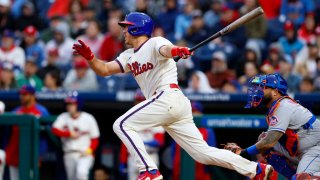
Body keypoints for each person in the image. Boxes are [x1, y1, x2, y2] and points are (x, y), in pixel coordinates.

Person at [73, 12, 273, 180]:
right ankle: (256, 169)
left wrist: (178, 50)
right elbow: (105, 69)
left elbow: (166, 50)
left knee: (122, 124)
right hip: (170, 104)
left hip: (167, 96)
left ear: (137, 28)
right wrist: (91, 58)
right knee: (202, 154)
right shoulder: (128, 55)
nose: (123, 30)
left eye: (127, 26)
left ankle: (149, 171)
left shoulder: (155, 42)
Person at [226, 74, 320, 179]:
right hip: (302, 149)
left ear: (275, 92)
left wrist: (243, 152)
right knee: (263, 139)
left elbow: (269, 142)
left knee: (301, 178)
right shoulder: (276, 107)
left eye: (264, 87)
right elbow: (267, 142)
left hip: (315, 148)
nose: (258, 90)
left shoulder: (283, 106)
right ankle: (293, 175)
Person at [52, 93, 100, 180]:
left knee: (81, 173)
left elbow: (95, 139)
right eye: (68, 104)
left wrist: (89, 150)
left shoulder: (88, 118)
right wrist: (68, 133)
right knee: (72, 178)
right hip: (69, 153)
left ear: (78, 105)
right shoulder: (63, 117)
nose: (69, 106)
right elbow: (54, 129)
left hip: (84, 154)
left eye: (72, 104)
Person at [5, 85, 50, 180]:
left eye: (25, 94)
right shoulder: (16, 111)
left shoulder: (41, 111)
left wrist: (39, 155)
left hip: (31, 155)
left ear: (33, 96)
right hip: (14, 154)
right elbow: (7, 134)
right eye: (21, 94)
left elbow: (46, 135)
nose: (22, 96)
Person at [119, 90, 165, 180]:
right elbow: (125, 143)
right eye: (137, 101)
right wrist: (122, 162)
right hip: (133, 158)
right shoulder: (129, 118)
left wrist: (141, 143)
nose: (138, 103)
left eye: (141, 100)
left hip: (150, 157)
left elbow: (159, 142)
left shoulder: (155, 117)